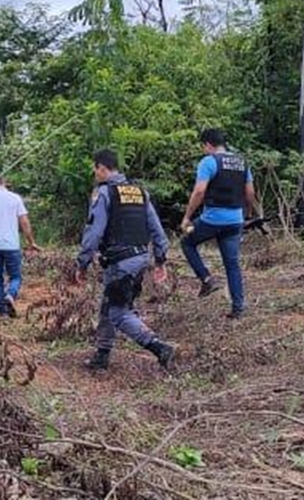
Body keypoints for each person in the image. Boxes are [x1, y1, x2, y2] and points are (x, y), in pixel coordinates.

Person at [75, 149, 176, 371]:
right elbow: (156, 229)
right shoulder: (140, 192)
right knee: (109, 303)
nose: (95, 174)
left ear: (102, 168)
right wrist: (160, 259)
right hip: (140, 258)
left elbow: (94, 232)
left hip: (120, 261)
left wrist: (82, 263)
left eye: (96, 169)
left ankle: (159, 347)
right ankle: (102, 354)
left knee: (118, 312)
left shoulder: (104, 193)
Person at [179, 128, 257, 319]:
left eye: (203, 147)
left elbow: (199, 192)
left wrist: (187, 217)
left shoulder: (209, 161)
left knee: (187, 242)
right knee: (232, 264)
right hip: (235, 220)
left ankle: (206, 279)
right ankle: (238, 308)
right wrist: (246, 214)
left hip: (212, 219)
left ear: (208, 145)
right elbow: (250, 194)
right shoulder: (242, 162)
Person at [0, 174, 40, 319]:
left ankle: (3, 313)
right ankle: (10, 295)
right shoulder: (15, 198)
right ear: (3, 182)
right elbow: (24, 222)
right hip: (12, 245)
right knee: (16, 277)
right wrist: (31, 242)